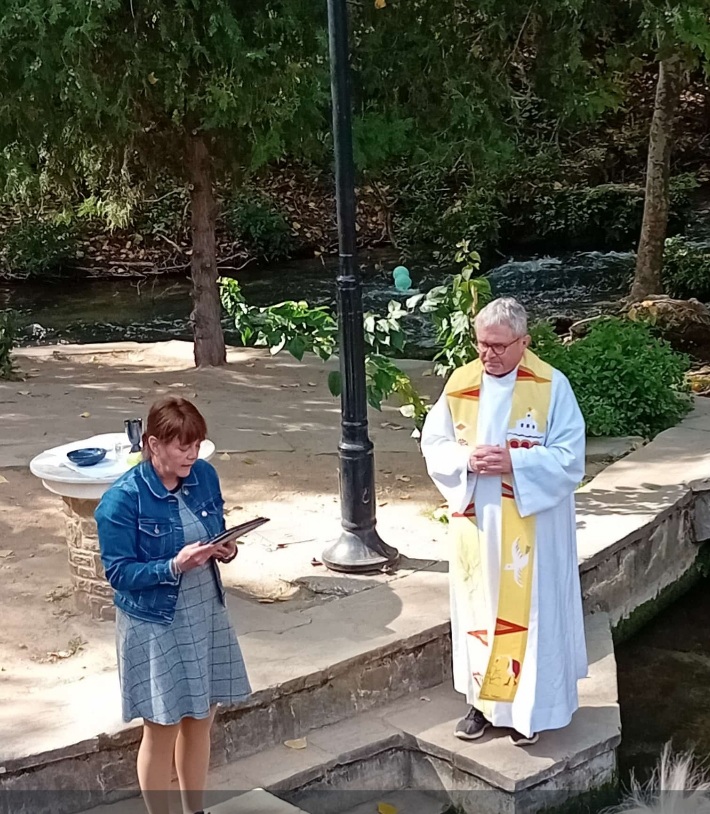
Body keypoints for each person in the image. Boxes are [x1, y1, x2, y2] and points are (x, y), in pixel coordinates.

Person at [421, 296, 587, 746]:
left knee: (529, 614)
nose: (488, 355)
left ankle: (528, 711)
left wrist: (514, 462)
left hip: (533, 529)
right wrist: (465, 459)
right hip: (479, 523)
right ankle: (482, 704)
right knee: (481, 610)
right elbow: (434, 444)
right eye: (482, 345)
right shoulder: (461, 384)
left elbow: (571, 459)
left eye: (498, 346)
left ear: (524, 342)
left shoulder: (552, 386)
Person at [96, 396, 251, 814]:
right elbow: (119, 574)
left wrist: (225, 548)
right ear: (153, 444)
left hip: (205, 610)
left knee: (201, 719)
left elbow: (215, 528)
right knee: (162, 726)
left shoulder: (204, 476)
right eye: (182, 446)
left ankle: (194, 810)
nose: (191, 454)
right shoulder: (121, 501)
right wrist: (173, 565)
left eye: (196, 444)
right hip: (155, 621)